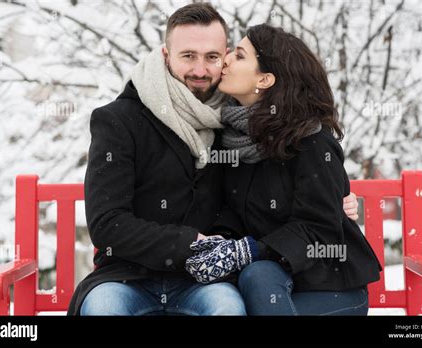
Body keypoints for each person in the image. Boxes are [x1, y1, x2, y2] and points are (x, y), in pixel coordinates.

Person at [68, 3, 359, 316]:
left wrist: (334, 199)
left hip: (206, 282)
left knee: (228, 309)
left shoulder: (236, 125)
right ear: (166, 55)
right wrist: (189, 244)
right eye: (188, 55)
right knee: (103, 310)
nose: (200, 70)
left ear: (226, 56)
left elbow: (264, 194)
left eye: (212, 57)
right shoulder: (119, 121)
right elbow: (107, 223)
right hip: (125, 276)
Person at [185, 24, 381, 316]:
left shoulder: (311, 143)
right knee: (254, 279)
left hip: (328, 288)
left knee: (259, 276)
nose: (225, 59)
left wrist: (249, 250)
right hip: (268, 284)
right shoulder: (230, 140)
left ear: (264, 79)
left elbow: (318, 227)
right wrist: (221, 243)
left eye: (239, 56)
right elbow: (228, 210)